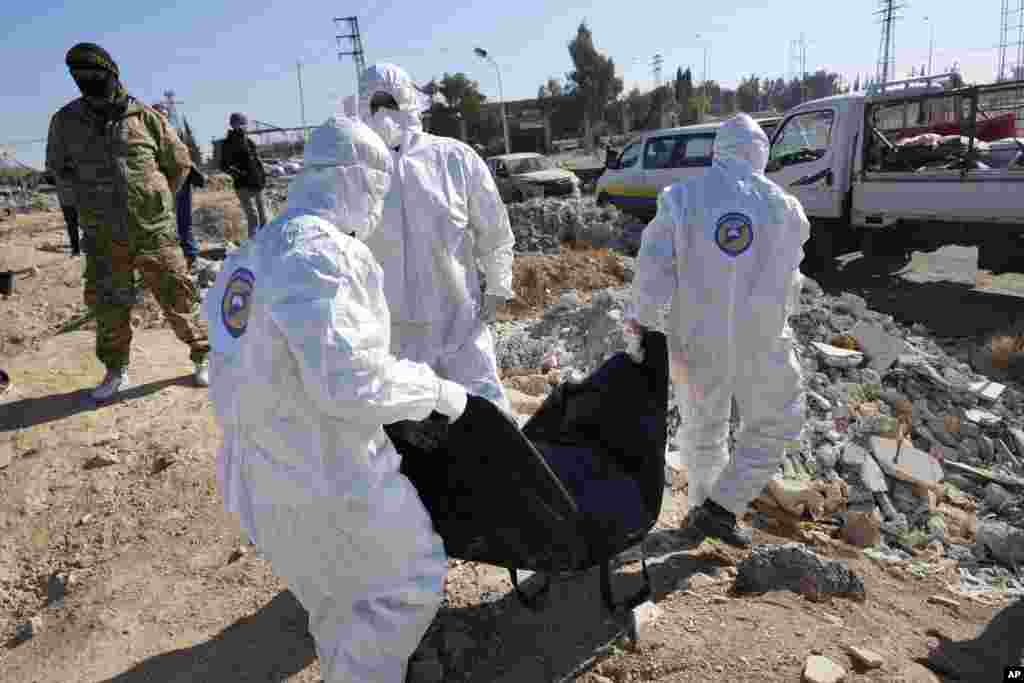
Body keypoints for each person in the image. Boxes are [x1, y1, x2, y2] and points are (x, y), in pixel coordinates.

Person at [205, 116, 466, 682]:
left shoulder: (249, 255)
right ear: (352, 179)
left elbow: (225, 367)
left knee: (337, 599)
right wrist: (439, 392)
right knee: (409, 581)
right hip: (323, 474)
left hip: (258, 475)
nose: (376, 207)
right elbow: (353, 385)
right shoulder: (325, 255)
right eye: (375, 190)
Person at [625, 113, 809, 548]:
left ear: (717, 151)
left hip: (695, 338)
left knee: (703, 428)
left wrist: (642, 325)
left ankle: (704, 511)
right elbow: (792, 281)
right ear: (761, 153)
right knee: (777, 421)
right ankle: (720, 509)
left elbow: (653, 269)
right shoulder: (785, 208)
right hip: (760, 340)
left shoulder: (682, 197)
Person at [45, 43, 210, 401]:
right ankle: (115, 369)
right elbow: (61, 173)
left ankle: (202, 357)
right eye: (79, 77)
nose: (87, 82)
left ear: (113, 74)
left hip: (154, 233)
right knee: (109, 308)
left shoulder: (147, 118)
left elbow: (179, 165)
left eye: (94, 75)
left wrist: (156, 202)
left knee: (179, 296)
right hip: (103, 238)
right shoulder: (65, 122)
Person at [360, 62, 516, 413]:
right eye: (374, 104)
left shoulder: (454, 158)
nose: (384, 113)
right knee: (407, 441)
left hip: (458, 325)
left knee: (488, 422)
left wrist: (497, 284)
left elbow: (493, 229)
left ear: (408, 103)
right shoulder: (356, 171)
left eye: (391, 102)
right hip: (391, 337)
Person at [152, 102, 205, 271]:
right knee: (168, 219)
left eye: (163, 113)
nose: (162, 116)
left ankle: (188, 255)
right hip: (166, 180)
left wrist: (193, 169)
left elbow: (188, 150)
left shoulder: (172, 131)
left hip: (180, 178)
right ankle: (175, 256)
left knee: (182, 219)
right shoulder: (155, 133)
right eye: (159, 113)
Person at [219, 112, 267, 238]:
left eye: (243, 124)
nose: (242, 126)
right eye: (239, 124)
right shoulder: (228, 143)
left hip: (257, 183)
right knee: (253, 218)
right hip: (243, 185)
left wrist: (262, 176)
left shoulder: (249, 141)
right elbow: (224, 165)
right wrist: (239, 174)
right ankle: (252, 246)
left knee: (264, 218)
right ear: (233, 125)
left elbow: (257, 161)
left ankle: (266, 246)